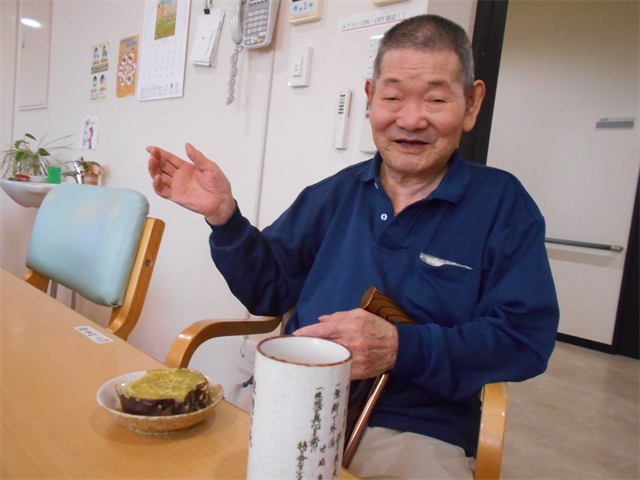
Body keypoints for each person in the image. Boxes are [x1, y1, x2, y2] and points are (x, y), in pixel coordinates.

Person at [148, 14, 559, 480]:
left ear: (471, 103)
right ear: (370, 100)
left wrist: (402, 348)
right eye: (393, 97)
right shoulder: (333, 194)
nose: (410, 119)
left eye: (437, 99)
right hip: (293, 397)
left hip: (414, 427)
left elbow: (526, 339)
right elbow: (268, 291)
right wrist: (224, 218)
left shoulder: (503, 205)